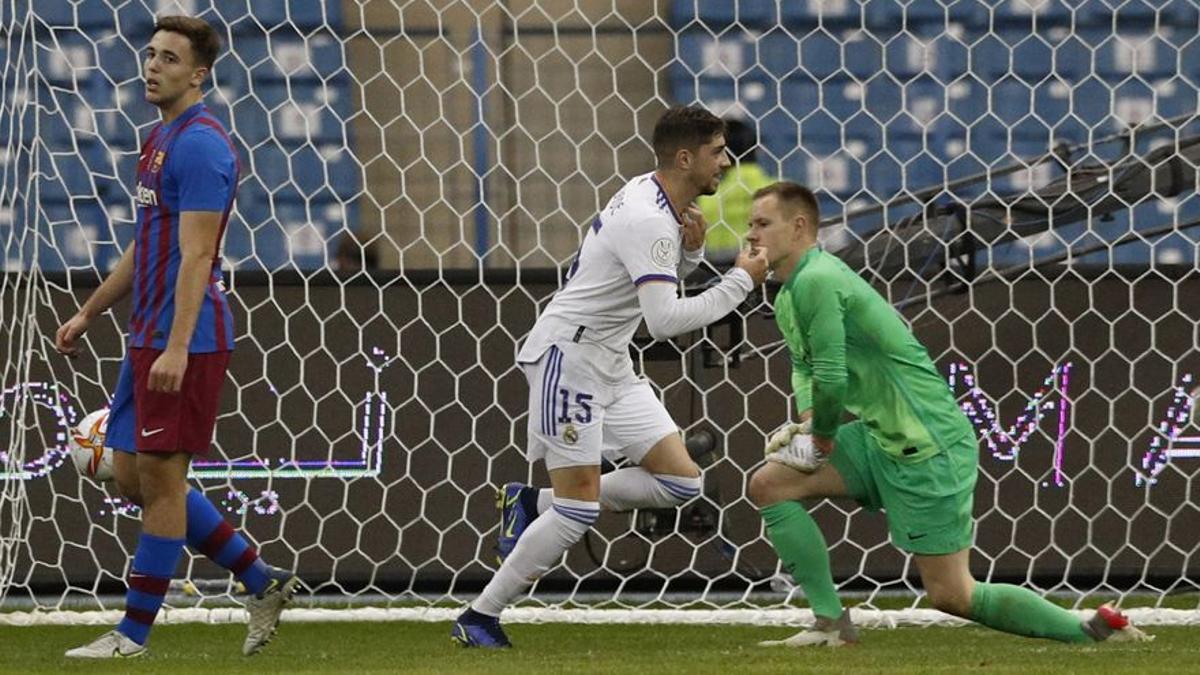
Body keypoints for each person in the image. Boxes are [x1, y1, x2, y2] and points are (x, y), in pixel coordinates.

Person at [743, 181, 1150, 647]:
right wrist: (812, 421)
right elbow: (804, 366)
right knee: (770, 484)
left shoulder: (818, 279)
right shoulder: (788, 294)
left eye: (762, 223)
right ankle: (830, 624)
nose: (751, 235)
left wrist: (820, 440)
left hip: (927, 446)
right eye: (750, 225)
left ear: (798, 227)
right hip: (881, 439)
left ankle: (1092, 631)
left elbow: (833, 377)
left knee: (952, 594)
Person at [451, 105, 771, 648]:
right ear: (686, 156)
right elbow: (664, 319)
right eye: (718, 152)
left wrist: (692, 255)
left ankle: (532, 504)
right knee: (578, 510)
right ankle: (480, 616)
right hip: (569, 361)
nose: (726, 162)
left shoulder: (652, 196)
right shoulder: (649, 217)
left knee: (680, 482)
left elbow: (644, 283)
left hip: (611, 362)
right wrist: (740, 280)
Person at [55, 16, 297, 658]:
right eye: (150, 53)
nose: (153, 65)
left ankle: (132, 633)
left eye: (169, 57)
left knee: (161, 481)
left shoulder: (201, 147)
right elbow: (147, 246)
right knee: (132, 479)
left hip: (181, 337)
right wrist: (92, 310)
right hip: (147, 334)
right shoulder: (159, 139)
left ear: (199, 74)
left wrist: (177, 346)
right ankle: (260, 578)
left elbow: (196, 258)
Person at [696, 118, 775, 266]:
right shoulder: (779, 192)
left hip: (715, 276)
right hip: (764, 273)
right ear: (757, 149)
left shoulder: (706, 197)